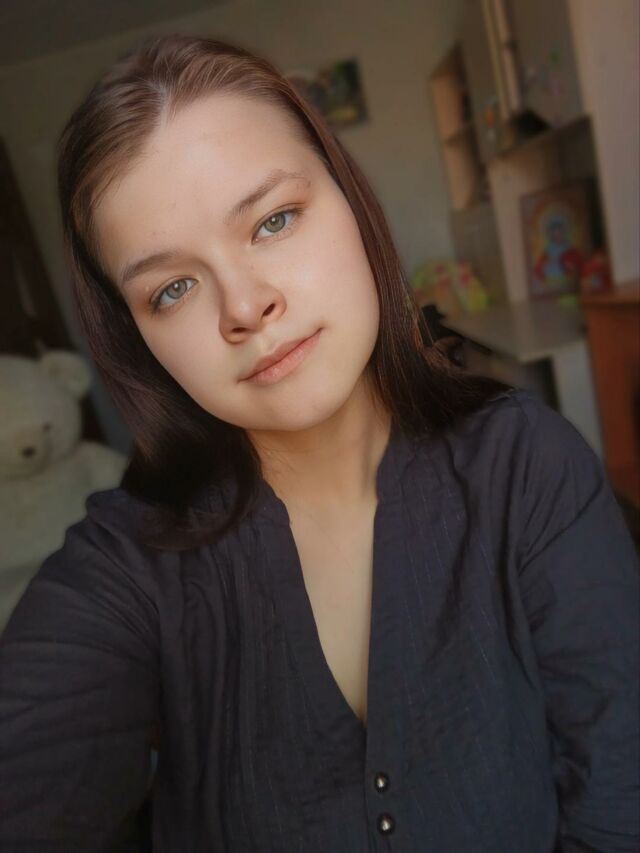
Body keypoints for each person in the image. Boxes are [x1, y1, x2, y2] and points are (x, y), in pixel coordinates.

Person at [0, 33, 638, 853]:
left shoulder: (527, 464)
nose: (244, 306)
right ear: (139, 340)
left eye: (274, 220)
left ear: (351, 202)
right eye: (174, 287)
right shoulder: (127, 568)